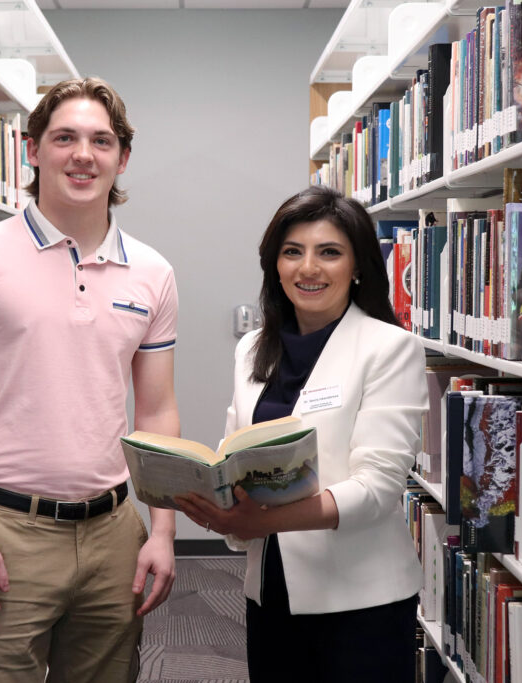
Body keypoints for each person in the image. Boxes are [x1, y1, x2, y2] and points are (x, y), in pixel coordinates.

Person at [0, 77, 179, 683]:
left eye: (101, 140)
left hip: (114, 533)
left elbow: (158, 411)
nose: (83, 154)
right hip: (9, 532)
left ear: (122, 158)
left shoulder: (152, 272)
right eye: (65, 137)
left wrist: (164, 531)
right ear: (33, 149)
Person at [176, 185, 427, 683]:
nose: (307, 268)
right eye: (292, 252)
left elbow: (377, 488)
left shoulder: (390, 348)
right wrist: (218, 503)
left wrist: (264, 522)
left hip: (360, 601)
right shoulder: (252, 349)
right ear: (275, 265)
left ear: (357, 267)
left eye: (329, 252)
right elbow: (235, 454)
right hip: (271, 590)